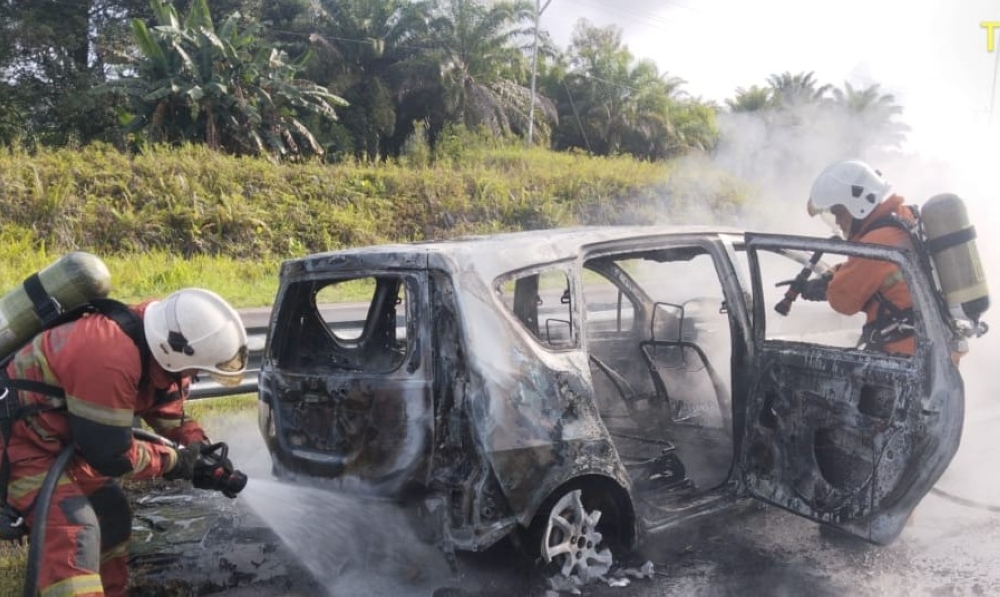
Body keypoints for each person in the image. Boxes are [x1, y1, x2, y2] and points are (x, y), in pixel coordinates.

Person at [2, 287, 249, 596]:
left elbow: (168, 411)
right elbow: (114, 455)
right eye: (196, 368)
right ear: (174, 351)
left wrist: (204, 451)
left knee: (112, 514)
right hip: (18, 445)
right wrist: (178, 463)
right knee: (73, 527)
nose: (196, 375)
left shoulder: (159, 350)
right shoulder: (108, 355)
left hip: (59, 441)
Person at [800, 159, 918, 356]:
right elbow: (876, 273)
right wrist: (830, 275)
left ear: (857, 203)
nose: (837, 220)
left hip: (904, 355)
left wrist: (826, 289)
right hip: (926, 350)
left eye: (839, 212)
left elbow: (843, 301)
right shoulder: (900, 220)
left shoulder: (876, 242)